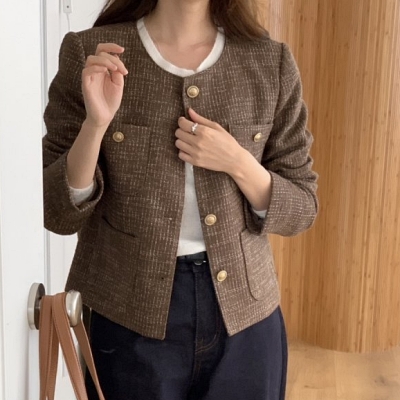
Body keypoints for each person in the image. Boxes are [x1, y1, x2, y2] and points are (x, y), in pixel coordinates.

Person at [42, 0, 318, 399]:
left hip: (246, 320)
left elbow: (302, 207)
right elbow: (57, 212)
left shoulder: (268, 61)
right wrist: (96, 125)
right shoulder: (92, 54)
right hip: (125, 319)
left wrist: (238, 162)